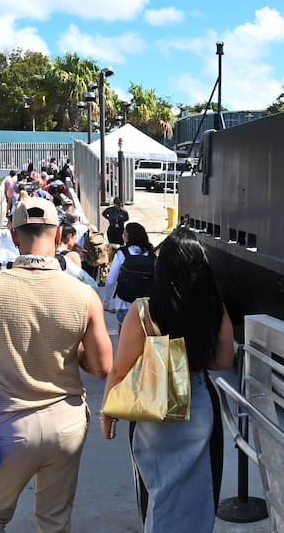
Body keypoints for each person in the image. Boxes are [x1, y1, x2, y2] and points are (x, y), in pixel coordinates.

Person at [0, 197, 113, 533]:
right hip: (66, 424)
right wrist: (69, 349)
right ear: (59, 234)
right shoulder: (83, 295)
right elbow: (101, 366)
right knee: (54, 522)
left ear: (13, 235)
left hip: (8, 427)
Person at [102, 227, 235, 532]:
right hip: (198, 401)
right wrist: (192, 355)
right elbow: (224, 361)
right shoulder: (215, 308)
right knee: (200, 489)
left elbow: (120, 370)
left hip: (153, 405)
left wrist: (108, 413)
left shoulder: (144, 312)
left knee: (158, 490)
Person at [102, 222, 154, 327]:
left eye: (125, 234)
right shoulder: (151, 254)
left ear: (130, 237)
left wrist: (105, 303)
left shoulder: (122, 253)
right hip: (147, 306)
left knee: (124, 335)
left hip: (124, 304)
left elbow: (111, 280)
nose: (123, 236)